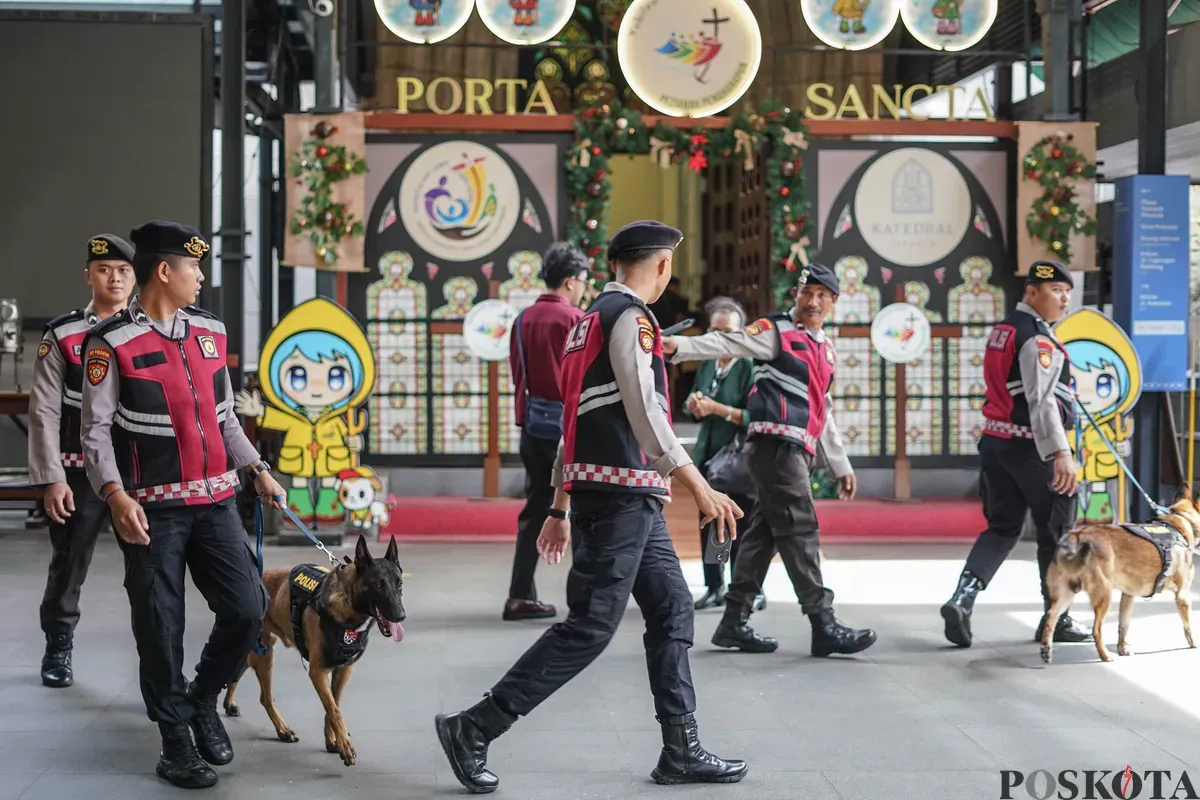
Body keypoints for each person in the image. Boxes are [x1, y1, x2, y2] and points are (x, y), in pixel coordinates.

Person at [435, 220, 748, 793]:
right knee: (590, 627)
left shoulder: (586, 324)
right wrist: (698, 485)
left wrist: (557, 506)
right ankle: (475, 726)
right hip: (621, 494)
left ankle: (680, 748)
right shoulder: (631, 319)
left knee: (674, 610)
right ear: (660, 267)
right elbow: (646, 409)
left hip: (625, 496)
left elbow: (571, 420)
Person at [80, 220, 287, 789]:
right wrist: (115, 495)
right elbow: (95, 433)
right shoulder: (111, 343)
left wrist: (256, 468)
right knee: (159, 625)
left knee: (248, 610)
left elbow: (225, 420)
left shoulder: (211, 334)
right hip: (151, 511)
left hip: (218, 502)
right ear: (165, 271)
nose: (201, 277)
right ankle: (174, 740)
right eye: (194, 267)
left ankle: (201, 700)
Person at [662, 262, 877, 658]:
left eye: (822, 296)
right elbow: (728, 343)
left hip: (793, 450)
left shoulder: (824, 349)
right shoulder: (776, 332)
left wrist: (841, 464)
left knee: (763, 536)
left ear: (833, 303)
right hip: (774, 447)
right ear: (795, 295)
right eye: (806, 293)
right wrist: (679, 347)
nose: (812, 302)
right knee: (800, 529)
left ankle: (733, 622)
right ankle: (822, 621)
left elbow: (822, 410)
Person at [939, 259, 1090, 647]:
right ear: (1032, 292)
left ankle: (962, 598)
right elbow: (1040, 403)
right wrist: (1061, 453)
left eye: (1067, 293)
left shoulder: (1004, 330)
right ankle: (1055, 617)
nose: (1064, 299)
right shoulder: (1037, 339)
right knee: (1056, 530)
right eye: (1056, 291)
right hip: (1031, 448)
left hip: (995, 444)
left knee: (1002, 528)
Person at [30, 233, 135, 688]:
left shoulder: (147, 328)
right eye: (104, 269)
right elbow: (44, 411)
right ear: (88, 275)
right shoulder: (64, 334)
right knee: (70, 562)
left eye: (124, 270)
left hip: (137, 473)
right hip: (78, 472)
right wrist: (52, 478)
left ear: (137, 277)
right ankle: (58, 644)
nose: (114, 277)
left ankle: (158, 658)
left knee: (154, 569)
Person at [504, 242, 588, 622]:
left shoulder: (522, 319)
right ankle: (586, 600)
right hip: (568, 426)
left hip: (533, 423)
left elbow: (518, 375)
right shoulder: (575, 319)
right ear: (570, 281)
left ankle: (520, 595)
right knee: (582, 506)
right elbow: (583, 381)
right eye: (583, 282)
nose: (584, 289)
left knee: (536, 509)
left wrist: (526, 418)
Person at [684, 296, 763, 612]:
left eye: (728, 331)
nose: (721, 338)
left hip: (739, 457)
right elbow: (696, 400)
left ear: (741, 333)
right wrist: (694, 404)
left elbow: (755, 416)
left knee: (742, 526)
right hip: (709, 455)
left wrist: (717, 408)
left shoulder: (749, 364)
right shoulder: (708, 361)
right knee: (712, 522)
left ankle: (746, 588)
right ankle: (715, 585)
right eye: (715, 331)